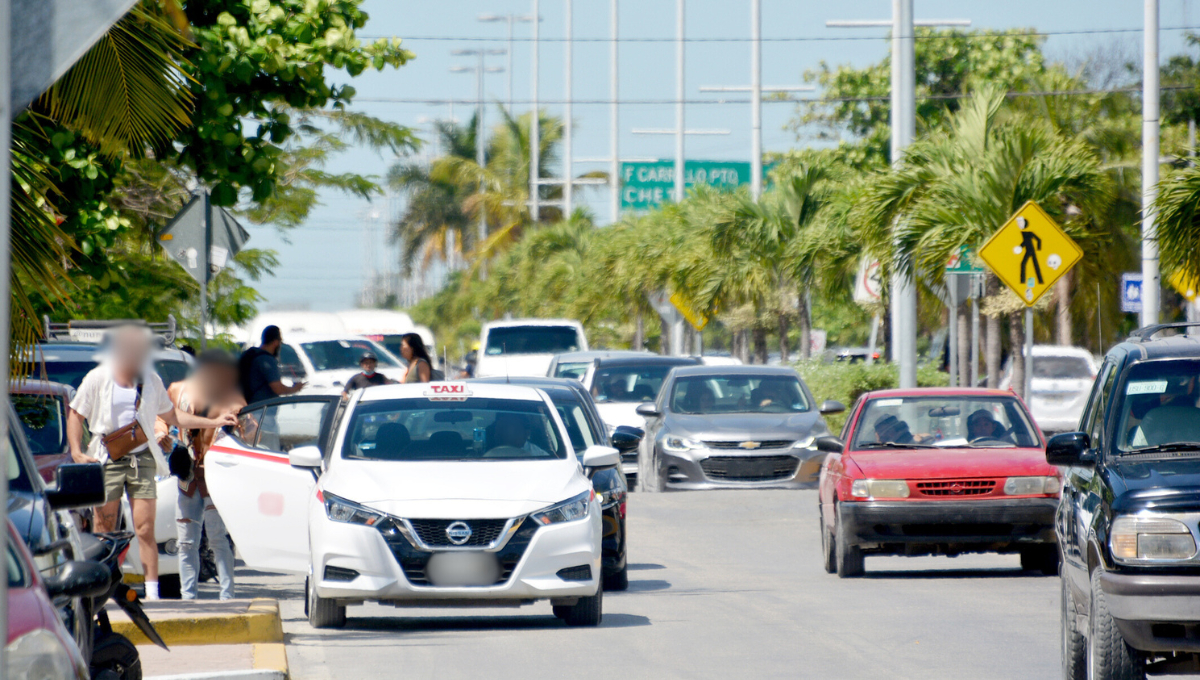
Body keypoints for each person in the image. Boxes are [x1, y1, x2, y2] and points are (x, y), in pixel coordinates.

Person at [67, 326, 237, 600]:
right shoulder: (97, 378)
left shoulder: (151, 380)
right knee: (105, 527)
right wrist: (76, 451)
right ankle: (100, 591)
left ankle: (152, 592)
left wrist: (214, 422)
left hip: (142, 458)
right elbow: (75, 413)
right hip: (108, 457)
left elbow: (174, 417)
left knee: (145, 527)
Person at [156, 349, 242, 600]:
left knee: (217, 538)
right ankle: (188, 598)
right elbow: (162, 417)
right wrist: (161, 432)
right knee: (186, 542)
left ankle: (227, 597)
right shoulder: (177, 389)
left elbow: (243, 416)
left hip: (215, 476)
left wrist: (236, 417)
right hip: (187, 475)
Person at [239, 325, 305, 404]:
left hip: (248, 406)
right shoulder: (267, 360)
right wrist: (295, 389)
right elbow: (278, 388)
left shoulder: (251, 354)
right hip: (262, 409)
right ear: (275, 342)